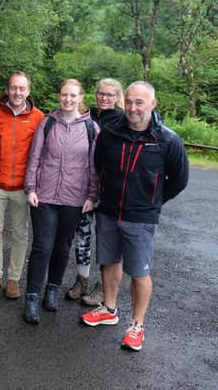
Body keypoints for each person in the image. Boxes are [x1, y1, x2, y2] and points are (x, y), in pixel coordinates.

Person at [81, 81, 188, 351]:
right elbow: (98, 166)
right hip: (108, 211)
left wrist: (152, 201)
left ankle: (137, 325)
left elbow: (179, 180)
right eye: (129, 102)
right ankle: (109, 308)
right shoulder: (109, 134)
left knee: (139, 271)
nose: (132, 108)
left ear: (153, 104)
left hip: (141, 217)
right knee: (108, 261)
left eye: (139, 102)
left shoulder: (167, 140)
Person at [23, 79, 99, 324]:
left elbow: (94, 167)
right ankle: (32, 297)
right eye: (64, 95)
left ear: (80, 98)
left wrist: (91, 196)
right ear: (59, 96)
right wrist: (30, 188)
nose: (68, 99)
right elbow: (34, 157)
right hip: (44, 195)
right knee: (42, 247)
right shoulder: (47, 124)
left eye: (73, 95)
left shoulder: (91, 128)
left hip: (74, 198)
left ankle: (52, 289)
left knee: (62, 247)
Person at [0, 71, 45, 299]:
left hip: (22, 186)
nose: (17, 92)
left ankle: (14, 279)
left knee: (19, 233)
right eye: (14, 88)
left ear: (28, 91)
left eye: (22, 88)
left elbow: (42, 154)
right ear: (7, 90)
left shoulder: (38, 117)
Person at [66, 78, 125, 305]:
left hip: (110, 190)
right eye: (100, 93)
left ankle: (103, 289)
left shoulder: (122, 120)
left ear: (117, 96)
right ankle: (82, 281)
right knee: (83, 235)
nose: (104, 98)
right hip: (84, 185)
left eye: (109, 94)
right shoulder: (87, 116)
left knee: (106, 240)